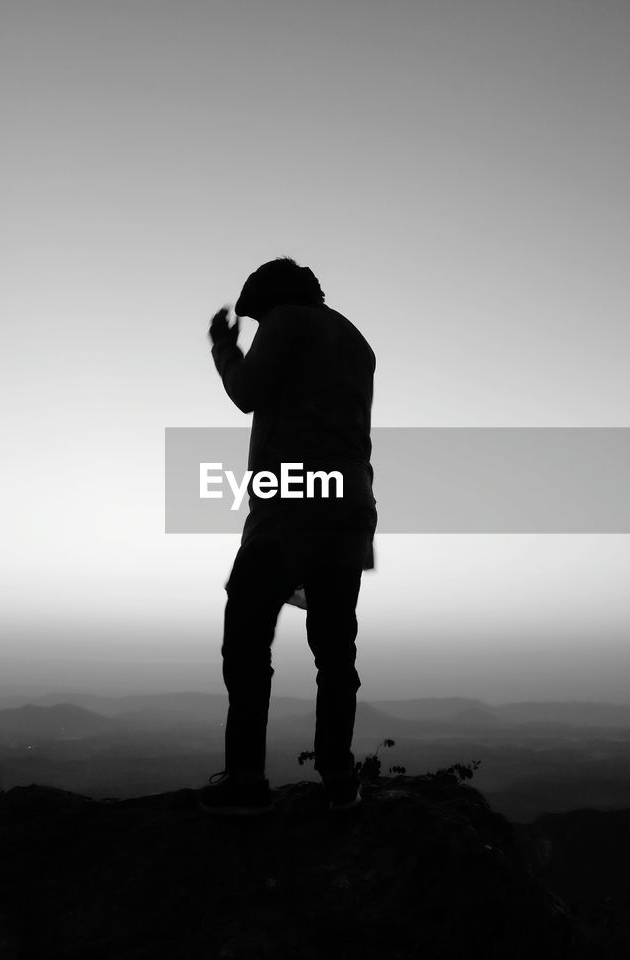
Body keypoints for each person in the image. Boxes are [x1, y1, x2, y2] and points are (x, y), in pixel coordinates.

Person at [197, 257, 377, 817]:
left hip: (293, 503)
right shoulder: (355, 339)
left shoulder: (288, 322)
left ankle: (247, 780)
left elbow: (248, 392)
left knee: (246, 636)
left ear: (271, 302)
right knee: (334, 647)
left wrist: (225, 349)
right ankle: (339, 776)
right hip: (349, 504)